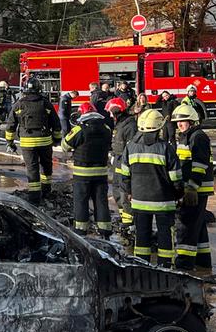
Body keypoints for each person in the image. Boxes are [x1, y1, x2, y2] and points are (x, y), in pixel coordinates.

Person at [116, 109, 183, 266]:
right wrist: (179, 195)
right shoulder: (166, 148)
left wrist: (129, 193)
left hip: (139, 201)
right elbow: (176, 178)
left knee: (142, 236)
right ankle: (166, 266)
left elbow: (124, 175)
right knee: (166, 235)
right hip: (164, 202)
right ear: (159, 127)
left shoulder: (130, 147)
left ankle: (141, 265)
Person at [172, 104, 215, 270]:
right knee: (198, 227)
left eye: (183, 122)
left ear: (192, 121)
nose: (179, 125)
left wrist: (191, 187)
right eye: (177, 122)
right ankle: (203, 263)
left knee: (186, 226)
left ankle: (184, 265)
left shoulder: (198, 137)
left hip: (196, 189)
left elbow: (199, 165)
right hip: (195, 189)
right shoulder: (187, 136)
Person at [6, 78, 62, 203]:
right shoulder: (46, 103)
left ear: (25, 90)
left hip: (27, 143)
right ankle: (46, 191)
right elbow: (56, 123)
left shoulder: (19, 104)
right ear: (39, 89)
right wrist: (57, 139)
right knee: (46, 166)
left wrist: (10, 143)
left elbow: (10, 125)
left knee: (32, 168)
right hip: (45, 142)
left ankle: (34, 197)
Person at [63, 101, 113, 236]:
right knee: (101, 201)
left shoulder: (80, 129)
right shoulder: (106, 128)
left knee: (81, 200)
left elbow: (65, 145)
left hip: (82, 173)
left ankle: (81, 229)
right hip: (101, 172)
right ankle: (105, 229)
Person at [107, 96, 137, 231]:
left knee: (125, 191)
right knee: (117, 189)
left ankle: (129, 221)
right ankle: (122, 217)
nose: (109, 115)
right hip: (117, 160)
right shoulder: (120, 124)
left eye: (110, 112)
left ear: (116, 111)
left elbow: (130, 147)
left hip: (125, 162)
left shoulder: (129, 125)